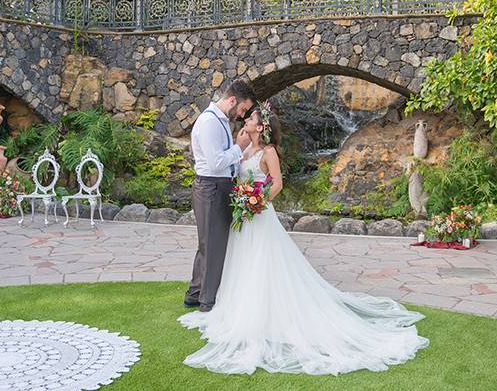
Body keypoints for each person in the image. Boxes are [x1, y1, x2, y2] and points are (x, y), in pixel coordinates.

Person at [179, 102, 429, 375]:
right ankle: (237, 310)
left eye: (250, 118)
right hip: (244, 220)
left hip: (258, 216)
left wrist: (257, 203)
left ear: (261, 126)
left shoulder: (268, 151)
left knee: (263, 263)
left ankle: (266, 315)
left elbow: (277, 183)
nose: (245, 120)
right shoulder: (246, 148)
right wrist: (242, 194)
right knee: (242, 264)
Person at [184, 79, 256, 313]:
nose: (242, 115)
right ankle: (207, 302)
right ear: (232, 100)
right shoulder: (209, 123)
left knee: (207, 243)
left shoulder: (221, 120)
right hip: (211, 187)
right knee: (213, 246)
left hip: (218, 186)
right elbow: (215, 163)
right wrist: (239, 146)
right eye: (243, 109)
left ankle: (195, 293)